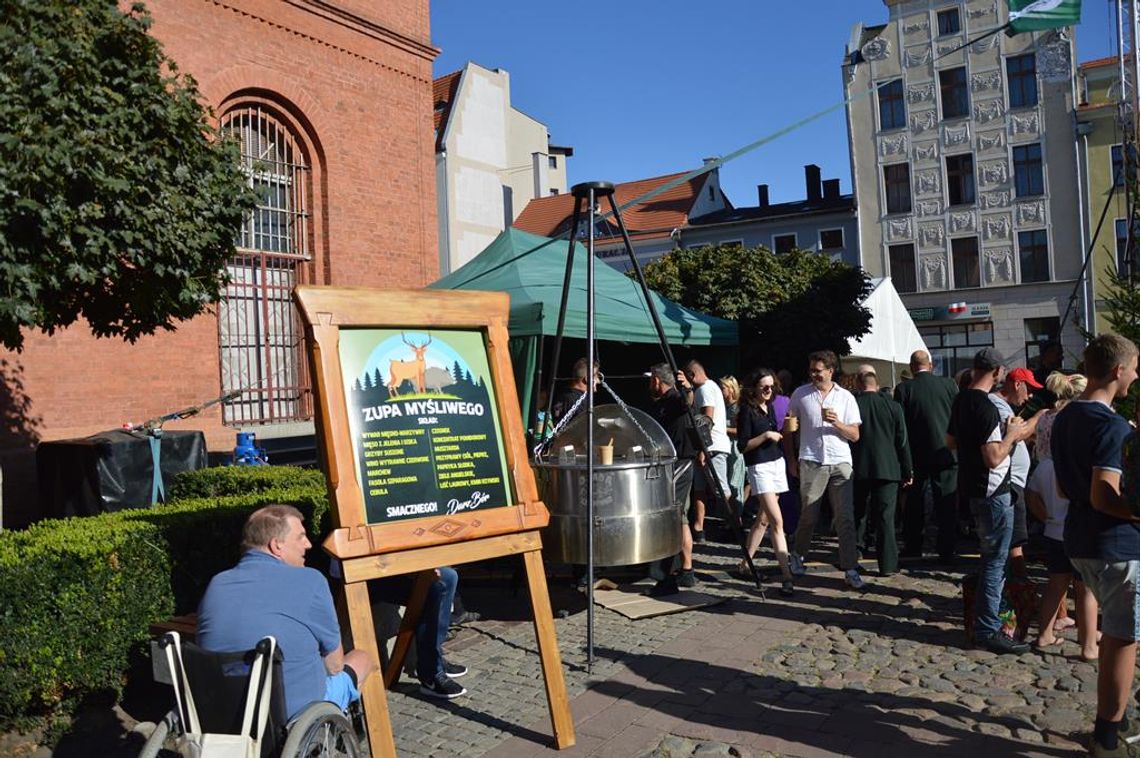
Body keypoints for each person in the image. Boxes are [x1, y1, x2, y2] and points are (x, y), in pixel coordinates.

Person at [197, 505, 378, 719]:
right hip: (293, 714)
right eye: (301, 537)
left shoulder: (217, 584)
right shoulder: (310, 580)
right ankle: (344, 719)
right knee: (362, 659)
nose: (308, 544)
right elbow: (335, 665)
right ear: (277, 546)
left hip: (225, 710)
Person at [1052, 334, 1140, 757]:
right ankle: (1108, 735)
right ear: (1118, 370)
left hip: (1080, 540)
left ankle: (1118, 719)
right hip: (1115, 546)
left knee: (1117, 633)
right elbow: (1104, 494)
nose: (1137, 376)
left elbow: (1064, 489)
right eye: (1136, 367)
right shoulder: (1112, 425)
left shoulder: (1064, 416)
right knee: (1123, 637)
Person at [946, 348, 1031, 655]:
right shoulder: (985, 406)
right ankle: (988, 628)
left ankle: (987, 620)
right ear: (997, 373)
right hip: (992, 491)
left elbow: (951, 441)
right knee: (996, 562)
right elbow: (994, 457)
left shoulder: (961, 399)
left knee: (990, 559)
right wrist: (1013, 434)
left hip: (972, 487)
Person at [784, 350, 865, 589]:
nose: (814, 374)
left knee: (845, 518)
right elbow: (789, 428)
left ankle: (850, 568)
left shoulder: (846, 397)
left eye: (818, 370)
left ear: (830, 371)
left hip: (840, 461)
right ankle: (798, 555)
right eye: (812, 370)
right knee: (809, 514)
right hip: (811, 460)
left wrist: (836, 423)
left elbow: (855, 435)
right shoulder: (800, 394)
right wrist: (791, 458)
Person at [893, 350, 959, 562]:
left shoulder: (904, 389)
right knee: (946, 503)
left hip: (916, 454)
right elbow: (957, 417)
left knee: (914, 503)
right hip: (946, 452)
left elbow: (900, 426)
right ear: (931, 365)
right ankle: (947, 548)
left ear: (912, 367)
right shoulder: (949, 385)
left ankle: (913, 545)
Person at [736, 368, 795, 597]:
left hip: (776, 464)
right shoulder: (746, 411)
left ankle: (744, 564)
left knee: (762, 520)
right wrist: (766, 436)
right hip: (759, 467)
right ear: (754, 388)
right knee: (776, 522)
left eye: (772, 386)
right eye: (765, 387)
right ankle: (787, 575)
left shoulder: (768, 407)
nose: (770, 390)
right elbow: (742, 446)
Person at [368, 566, 468, 699]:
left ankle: (434, 658)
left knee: (449, 576)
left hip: (397, 568)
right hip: (371, 575)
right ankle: (430, 674)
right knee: (438, 584)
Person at [852, 366, 912, 577]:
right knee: (885, 518)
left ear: (859, 384)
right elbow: (902, 441)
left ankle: (856, 553)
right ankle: (887, 563)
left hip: (858, 467)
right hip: (888, 468)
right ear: (876, 385)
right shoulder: (893, 406)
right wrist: (908, 470)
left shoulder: (854, 405)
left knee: (858, 513)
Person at [647, 362, 698, 589]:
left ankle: (667, 576)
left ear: (657, 380)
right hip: (674, 463)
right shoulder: (664, 403)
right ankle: (686, 570)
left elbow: (687, 403)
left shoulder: (675, 399)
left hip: (681, 463)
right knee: (680, 518)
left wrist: (687, 388)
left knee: (671, 516)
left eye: (651, 380)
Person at [989, 366, 1042, 579]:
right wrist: (1040, 416)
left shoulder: (1005, 407)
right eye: (1028, 389)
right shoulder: (999, 406)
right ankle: (1019, 586)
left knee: (1015, 539)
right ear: (1017, 384)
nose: (1029, 396)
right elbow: (1015, 434)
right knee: (1015, 540)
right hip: (1009, 483)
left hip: (1014, 482)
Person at [685, 360, 732, 543]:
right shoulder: (710, 387)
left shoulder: (704, 389)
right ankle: (699, 526)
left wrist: (703, 449)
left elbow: (707, 419)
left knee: (721, 488)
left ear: (692, 375)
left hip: (712, 447)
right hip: (706, 447)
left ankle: (734, 525)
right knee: (699, 488)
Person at [719, 375, 746, 507]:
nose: (720, 390)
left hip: (735, 448)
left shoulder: (738, 408)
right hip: (724, 446)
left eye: (722, 387)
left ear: (731, 389)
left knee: (734, 482)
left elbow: (741, 431)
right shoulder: (722, 407)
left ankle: (737, 517)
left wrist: (723, 429)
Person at [551, 357, 599, 424]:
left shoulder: (563, 395)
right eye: (596, 376)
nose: (598, 381)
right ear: (587, 379)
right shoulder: (577, 400)